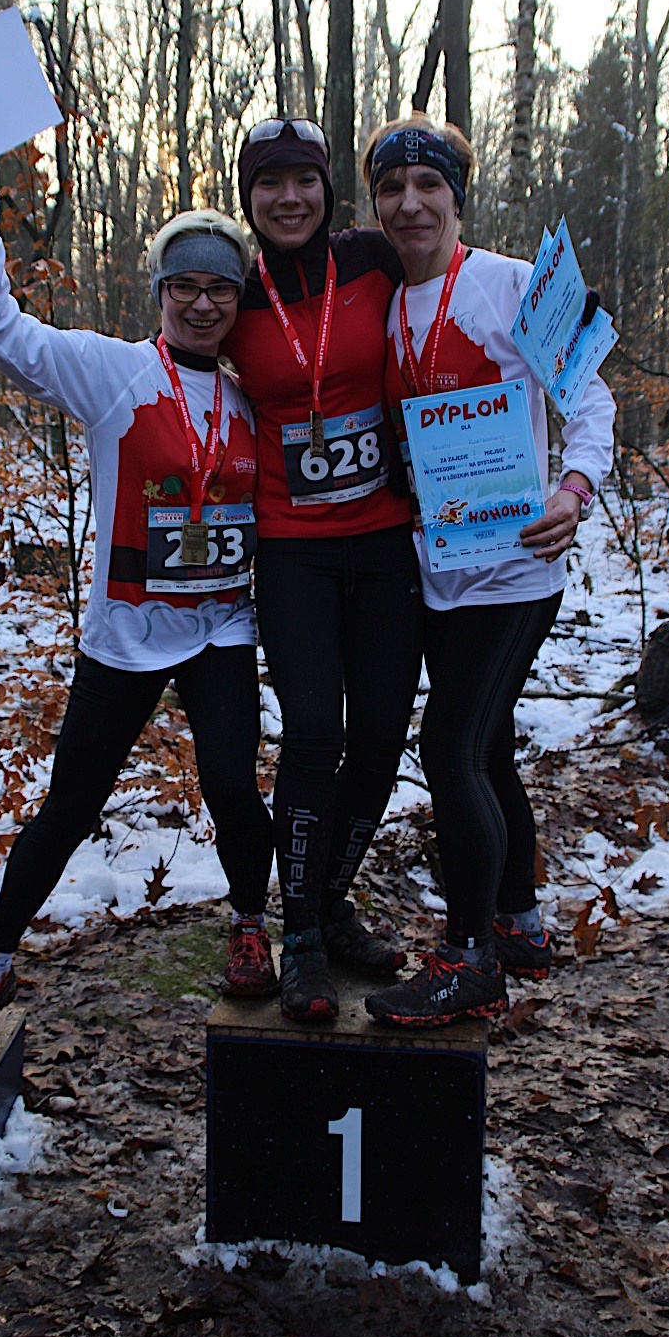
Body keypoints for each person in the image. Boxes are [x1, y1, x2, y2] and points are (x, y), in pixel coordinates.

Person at [0, 138, 276, 1060]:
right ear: (160, 293)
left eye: (219, 290)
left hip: (220, 628)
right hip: (127, 635)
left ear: (238, 300)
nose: (202, 304)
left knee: (232, 788)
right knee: (71, 805)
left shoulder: (253, 399)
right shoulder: (111, 370)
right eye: (184, 287)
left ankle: (250, 927)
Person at [359, 116, 615, 1027]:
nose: (410, 204)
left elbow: (590, 397)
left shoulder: (512, 284)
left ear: (456, 197)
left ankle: (468, 957)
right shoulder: (379, 301)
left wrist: (574, 489)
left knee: (451, 747)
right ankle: (519, 923)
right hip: (435, 563)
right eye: (391, 188)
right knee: (488, 745)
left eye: (428, 185)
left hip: (515, 567)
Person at [223, 120, 424, 1021]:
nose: (288, 198)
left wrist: (556, 317)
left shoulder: (373, 258)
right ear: (249, 197)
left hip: (383, 541)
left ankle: (331, 902)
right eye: (269, 183)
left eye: (303, 180)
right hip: (292, 548)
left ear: (327, 188)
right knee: (312, 735)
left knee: (379, 735)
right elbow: (171, 359)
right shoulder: (234, 288)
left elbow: (457, 286)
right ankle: (298, 932)